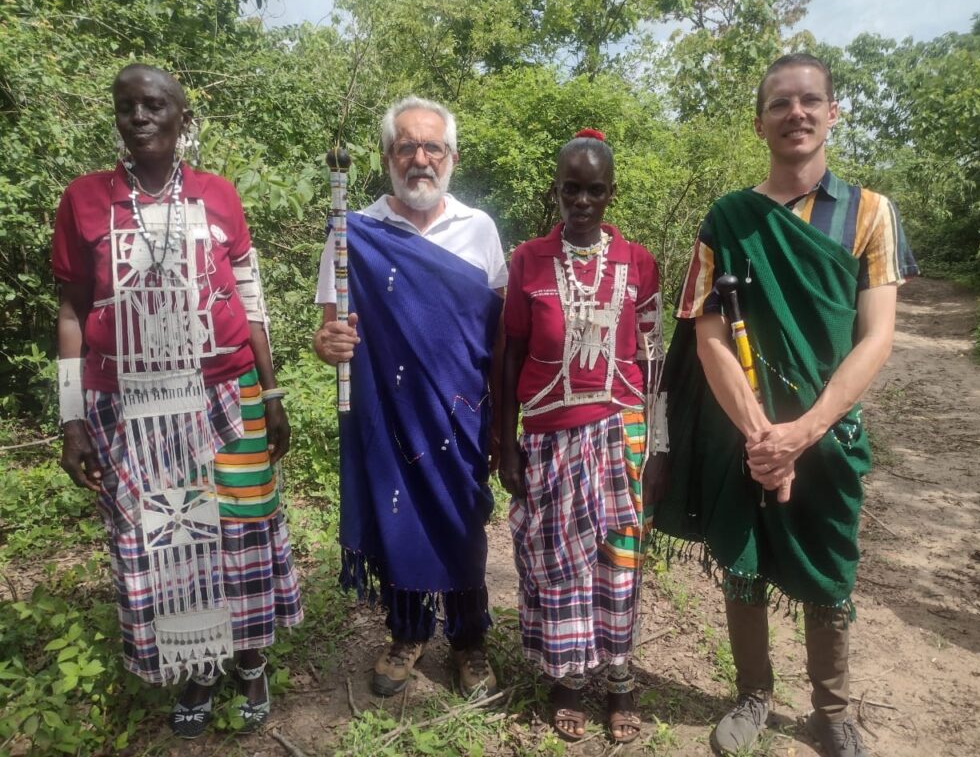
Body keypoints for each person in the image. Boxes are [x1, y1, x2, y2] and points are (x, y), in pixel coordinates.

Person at [658, 54, 919, 757]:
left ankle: (830, 710)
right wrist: (759, 435)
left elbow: (878, 337)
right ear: (759, 122)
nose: (795, 113)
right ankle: (753, 694)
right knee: (745, 556)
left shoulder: (869, 213)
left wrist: (802, 432)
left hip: (827, 431)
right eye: (780, 103)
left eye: (810, 101)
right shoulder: (729, 218)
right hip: (741, 430)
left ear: (834, 112)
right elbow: (707, 333)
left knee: (831, 563)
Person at [52, 64, 302, 739]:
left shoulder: (219, 195)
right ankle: (197, 663)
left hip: (227, 388)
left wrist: (271, 390)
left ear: (181, 119)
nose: (139, 117)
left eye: (154, 105)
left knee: (240, 531)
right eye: (126, 106)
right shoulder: (85, 200)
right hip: (128, 402)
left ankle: (248, 655)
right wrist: (71, 416)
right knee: (166, 537)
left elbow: (250, 298)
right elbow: (72, 309)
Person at [313, 96, 506, 700]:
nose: (420, 159)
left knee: (462, 520)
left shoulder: (480, 229)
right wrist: (330, 342)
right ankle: (408, 631)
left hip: (462, 412)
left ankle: (469, 640)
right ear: (387, 156)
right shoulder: (355, 233)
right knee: (399, 515)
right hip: (391, 413)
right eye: (407, 147)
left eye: (433, 148)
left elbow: (498, 329)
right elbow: (328, 329)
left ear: (450, 157)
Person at [498, 129, 669, 744]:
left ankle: (620, 679)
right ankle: (567, 679)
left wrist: (661, 446)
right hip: (547, 438)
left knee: (620, 563)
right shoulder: (527, 261)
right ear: (557, 189)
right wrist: (505, 442)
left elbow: (653, 361)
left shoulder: (638, 262)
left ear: (610, 194)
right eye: (572, 188)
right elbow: (509, 355)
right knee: (557, 563)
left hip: (621, 434)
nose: (582, 201)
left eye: (595, 190)